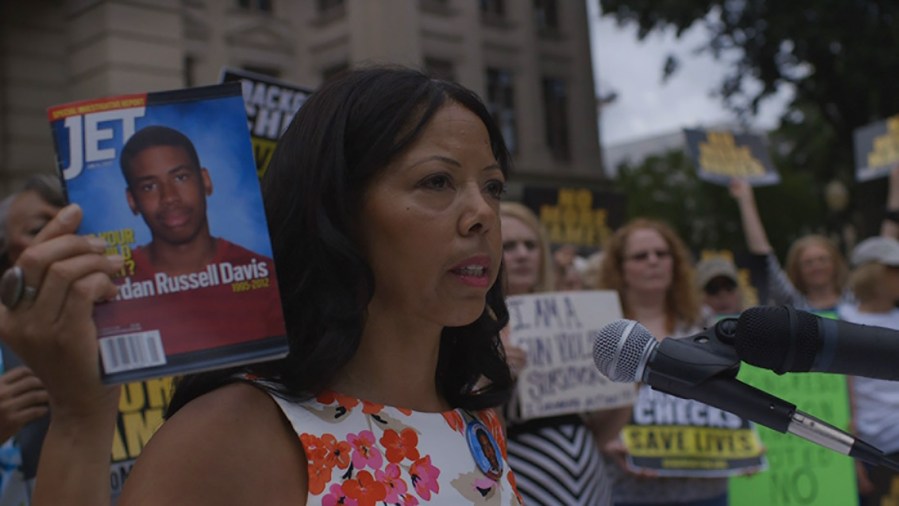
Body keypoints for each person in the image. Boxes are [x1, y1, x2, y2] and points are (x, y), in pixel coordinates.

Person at [0, 66, 524, 505]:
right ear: (335, 211)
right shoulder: (232, 434)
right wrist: (80, 418)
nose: (482, 213)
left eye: (493, 186)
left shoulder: (477, 418)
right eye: (437, 181)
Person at [103, 124, 285, 357]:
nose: (169, 197)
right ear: (132, 200)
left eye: (180, 177)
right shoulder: (111, 290)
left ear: (205, 180)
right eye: (149, 186)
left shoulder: (263, 277)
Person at [500, 201, 627, 505]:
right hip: (521, 480)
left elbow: (601, 433)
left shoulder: (575, 318)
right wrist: (495, 376)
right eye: (509, 246)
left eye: (531, 245)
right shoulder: (471, 326)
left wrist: (624, 386)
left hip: (589, 480)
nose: (522, 254)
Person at [597, 218, 728, 506]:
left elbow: (726, 393)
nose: (653, 261)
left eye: (661, 253)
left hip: (707, 490)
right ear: (620, 269)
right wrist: (605, 441)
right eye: (640, 256)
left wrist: (744, 446)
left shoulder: (704, 322)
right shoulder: (603, 331)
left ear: (675, 263)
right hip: (628, 491)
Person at [837, 236, 899, 506]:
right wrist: (852, 460)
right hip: (871, 452)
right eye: (895, 270)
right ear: (875, 274)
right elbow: (840, 395)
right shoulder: (843, 320)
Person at [729, 178, 849, 313]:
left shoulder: (857, 300)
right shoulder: (792, 304)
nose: (816, 266)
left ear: (835, 263)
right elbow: (765, 258)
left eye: (822, 259)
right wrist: (745, 199)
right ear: (797, 270)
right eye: (808, 263)